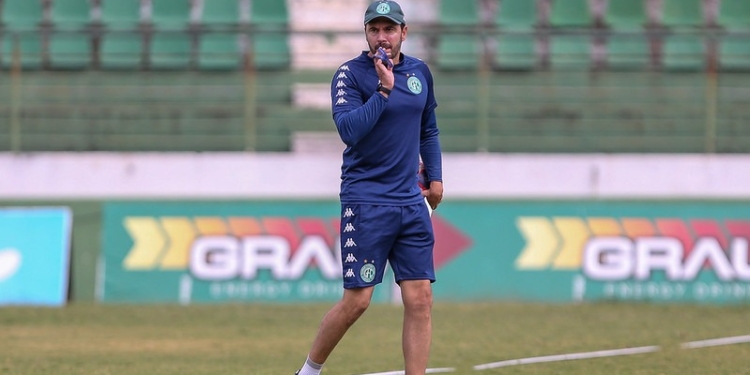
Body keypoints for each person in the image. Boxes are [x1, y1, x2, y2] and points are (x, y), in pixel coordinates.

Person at [295, 1, 443, 374]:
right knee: (357, 301)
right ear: (366, 34)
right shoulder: (349, 75)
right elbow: (349, 131)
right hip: (366, 201)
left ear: (403, 33)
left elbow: (428, 128)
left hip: (410, 201)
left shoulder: (420, 73)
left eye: (389, 30)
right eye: (374, 30)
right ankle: (308, 371)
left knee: (420, 298)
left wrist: (436, 177)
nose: (382, 37)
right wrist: (383, 91)